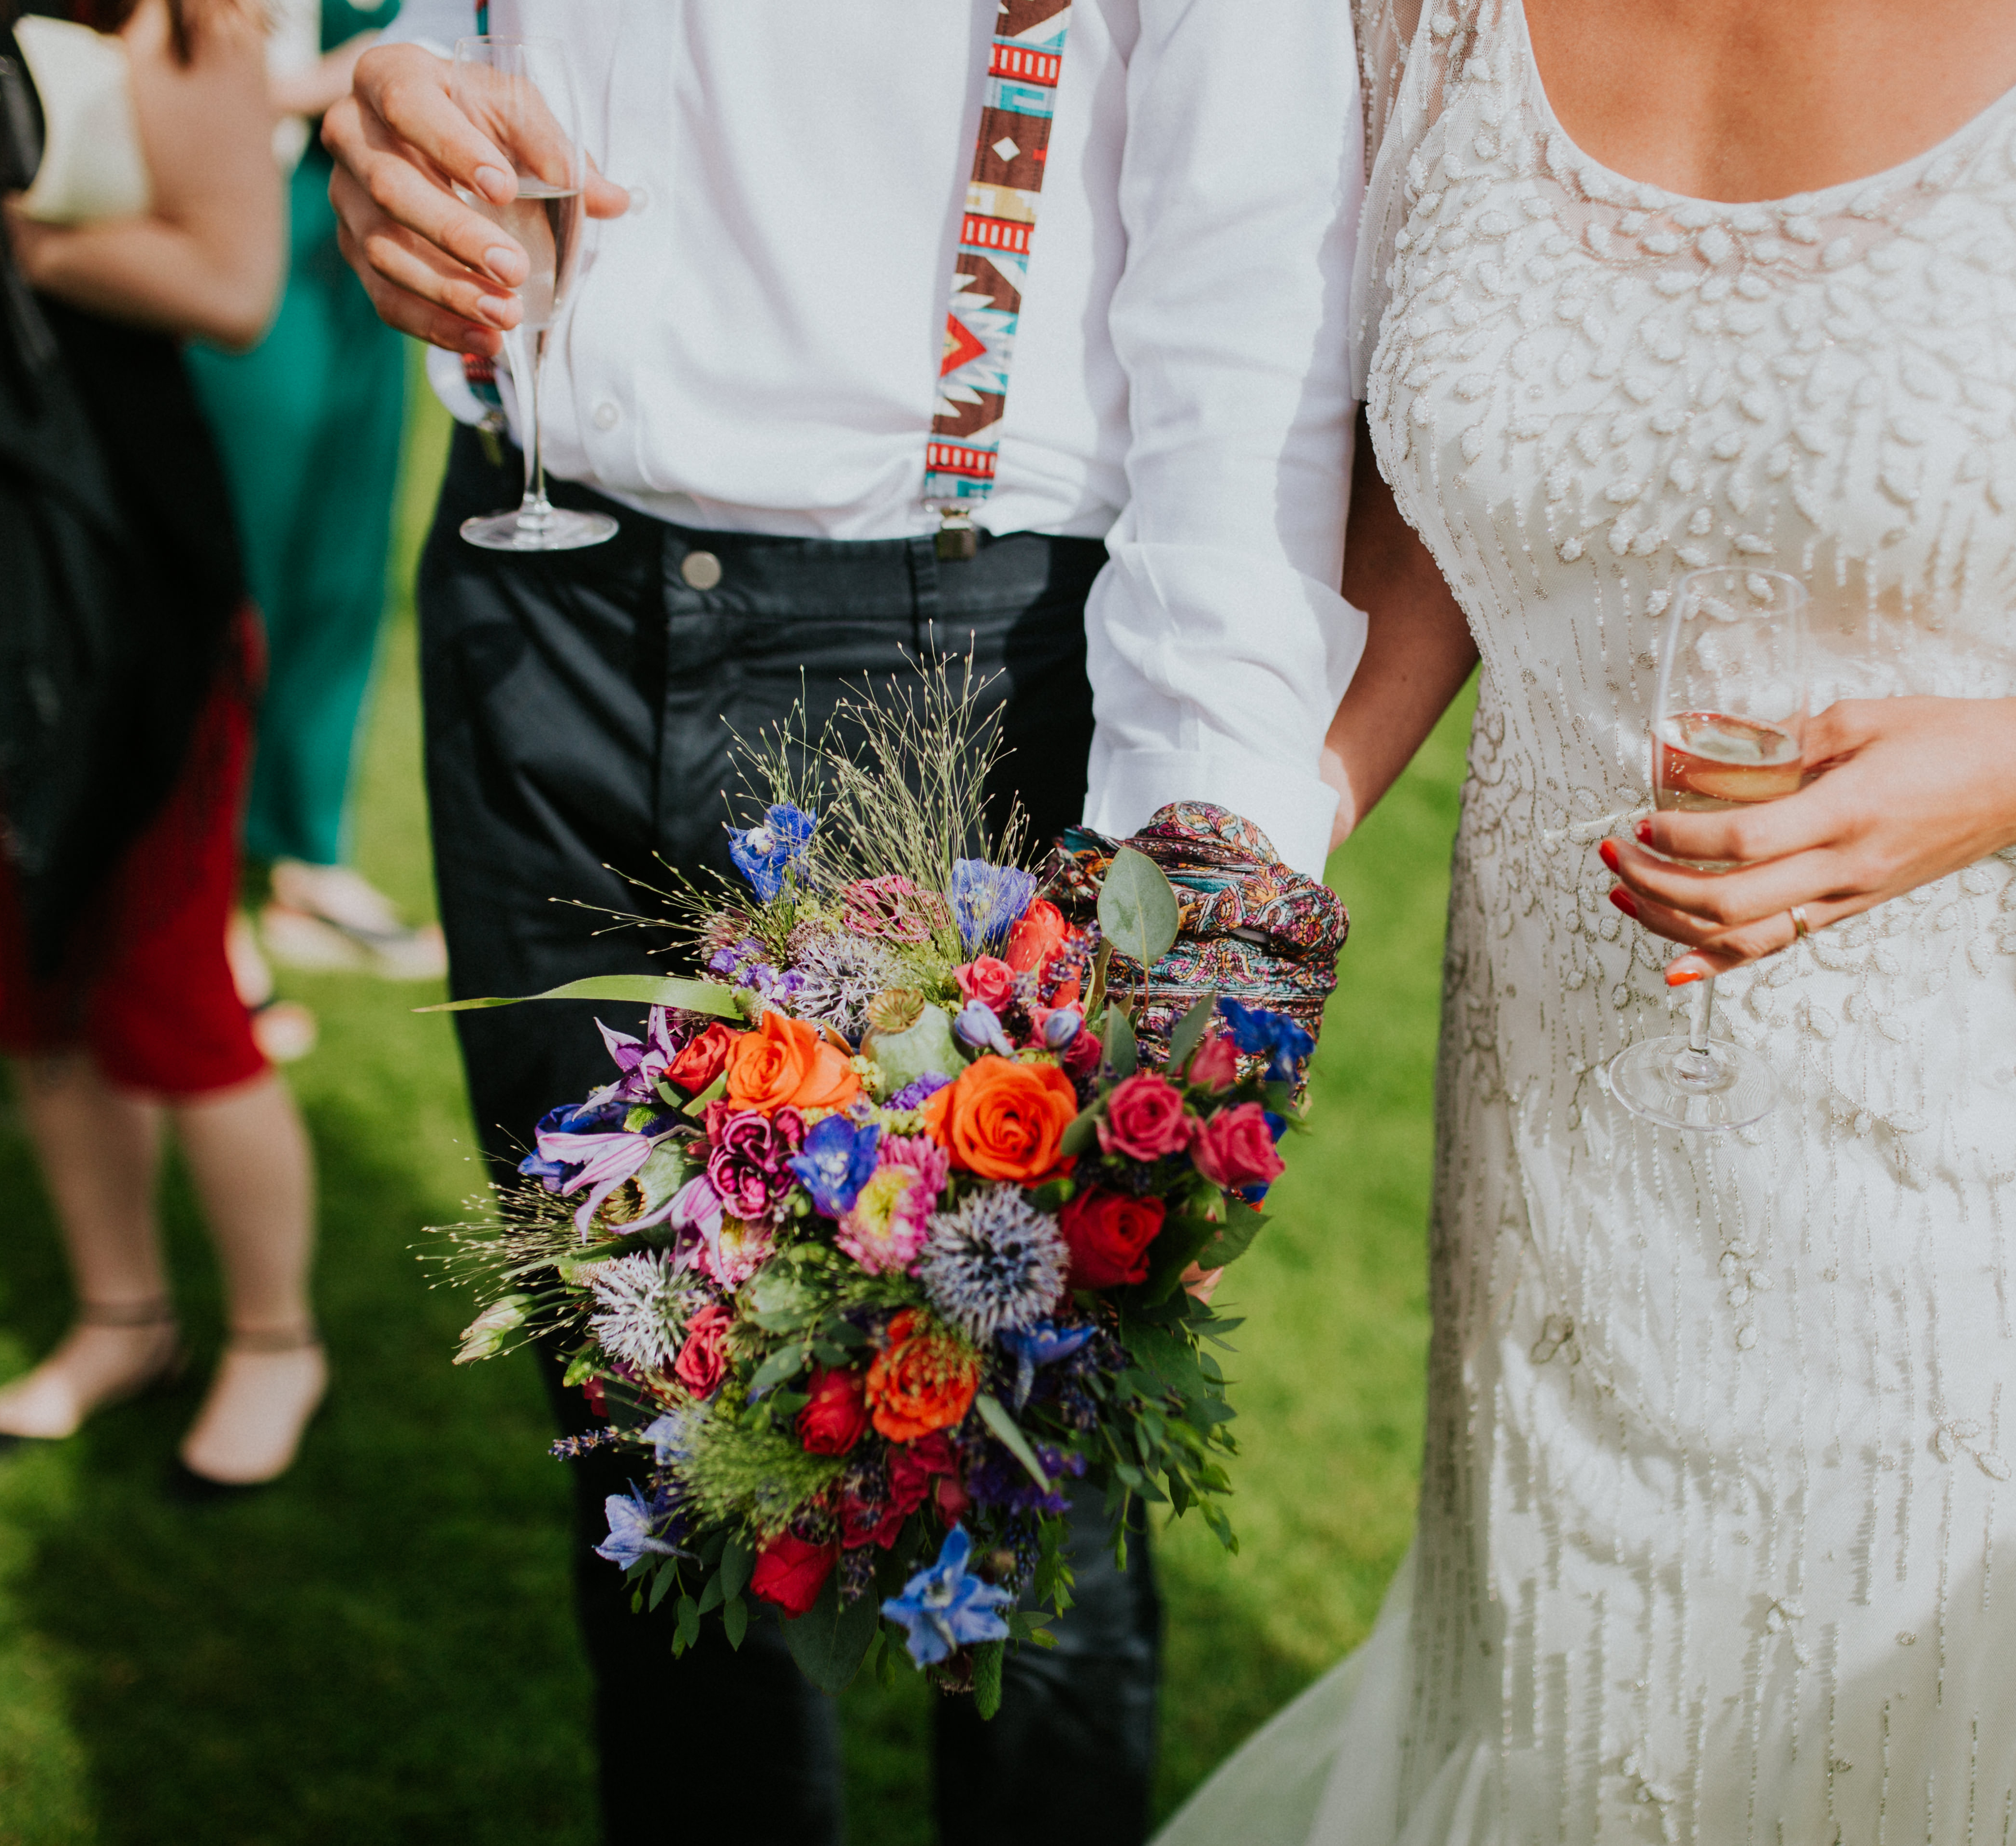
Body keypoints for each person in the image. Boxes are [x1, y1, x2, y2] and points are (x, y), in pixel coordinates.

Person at [1165, 0, 2016, 1842]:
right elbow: (1447, 506)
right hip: (1559, 1139)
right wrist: (1273, 848)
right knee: (1559, 1735)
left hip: (1978, 1130)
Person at [322, 1, 1362, 1837]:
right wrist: (398, 86)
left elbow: (1250, 322)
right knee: (641, 1404)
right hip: (533, 581)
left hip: (946, 650)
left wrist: (1186, 881)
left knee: (1024, 1445)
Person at [0, 0, 328, 1491]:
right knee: (21, 956)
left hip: (119, 530)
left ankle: (274, 1338)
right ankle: (125, 1313)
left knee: (165, 959)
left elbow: (232, 283)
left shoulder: (186, 19)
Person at [187, 0, 444, 995]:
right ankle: (200, 894)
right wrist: (331, 79)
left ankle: (301, 855)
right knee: (244, 550)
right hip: (251, 202)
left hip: (364, 222)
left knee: (346, 555)